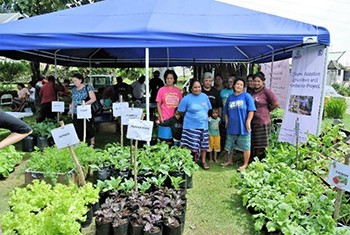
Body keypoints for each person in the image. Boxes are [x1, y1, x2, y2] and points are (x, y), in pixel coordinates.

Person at [221, 77, 256, 171]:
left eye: (241, 85)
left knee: (246, 145)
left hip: (243, 126)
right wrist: (227, 122)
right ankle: (229, 160)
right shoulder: (230, 97)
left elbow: (251, 110)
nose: (239, 86)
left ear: (244, 87)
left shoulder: (247, 96)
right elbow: (226, 112)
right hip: (232, 125)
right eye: (237, 84)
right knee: (230, 144)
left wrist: (248, 121)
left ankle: (245, 164)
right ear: (234, 85)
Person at [178, 79, 212, 170]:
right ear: (191, 89)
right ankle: (188, 162)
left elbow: (208, 109)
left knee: (204, 145)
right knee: (189, 146)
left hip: (203, 125)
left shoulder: (205, 96)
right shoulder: (186, 98)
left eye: (199, 87)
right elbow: (181, 111)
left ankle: (203, 162)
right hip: (190, 126)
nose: (197, 89)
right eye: (195, 87)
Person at [249, 72, 279, 159]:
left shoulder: (266, 91)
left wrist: (267, 110)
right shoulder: (251, 92)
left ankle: (261, 160)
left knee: (261, 143)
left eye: (258, 81)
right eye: (254, 81)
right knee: (252, 141)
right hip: (251, 120)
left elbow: (276, 103)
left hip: (262, 121)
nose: (256, 83)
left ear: (263, 81)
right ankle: (253, 158)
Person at [156, 69, 182, 142]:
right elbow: (158, 105)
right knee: (166, 141)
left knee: (176, 141)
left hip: (176, 119)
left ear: (174, 79)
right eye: (167, 78)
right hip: (165, 118)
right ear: (165, 79)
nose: (169, 80)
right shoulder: (161, 90)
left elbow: (180, 105)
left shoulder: (178, 91)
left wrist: (179, 116)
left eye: (171, 78)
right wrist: (161, 117)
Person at [71, 73, 97, 147]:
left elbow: (93, 99)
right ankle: (80, 142)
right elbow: (73, 101)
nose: (74, 82)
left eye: (75, 80)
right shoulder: (73, 90)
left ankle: (92, 142)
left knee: (88, 126)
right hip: (76, 111)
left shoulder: (87, 87)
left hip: (85, 110)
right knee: (78, 127)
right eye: (73, 81)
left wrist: (84, 104)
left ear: (80, 80)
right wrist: (71, 110)